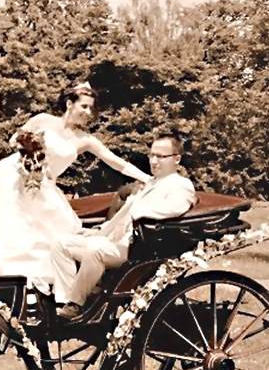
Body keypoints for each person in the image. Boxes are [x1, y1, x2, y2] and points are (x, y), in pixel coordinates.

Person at [0, 82, 151, 295]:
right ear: (70, 104)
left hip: (44, 186)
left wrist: (148, 178)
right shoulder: (43, 120)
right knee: (9, 224)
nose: (88, 113)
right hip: (16, 176)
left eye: (91, 108)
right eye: (84, 107)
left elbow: (117, 163)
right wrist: (28, 149)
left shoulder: (85, 140)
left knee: (51, 233)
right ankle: (6, 276)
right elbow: (16, 139)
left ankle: (52, 286)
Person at [50, 134, 196, 317]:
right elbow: (122, 216)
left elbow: (175, 208)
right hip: (118, 241)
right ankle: (66, 300)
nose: (154, 161)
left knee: (94, 250)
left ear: (177, 159)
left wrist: (139, 212)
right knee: (61, 244)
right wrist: (100, 232)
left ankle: (77, 304)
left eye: (161, 156)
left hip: (139, 247)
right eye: (152, 155)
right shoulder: (150, 183)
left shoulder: (181, 185)